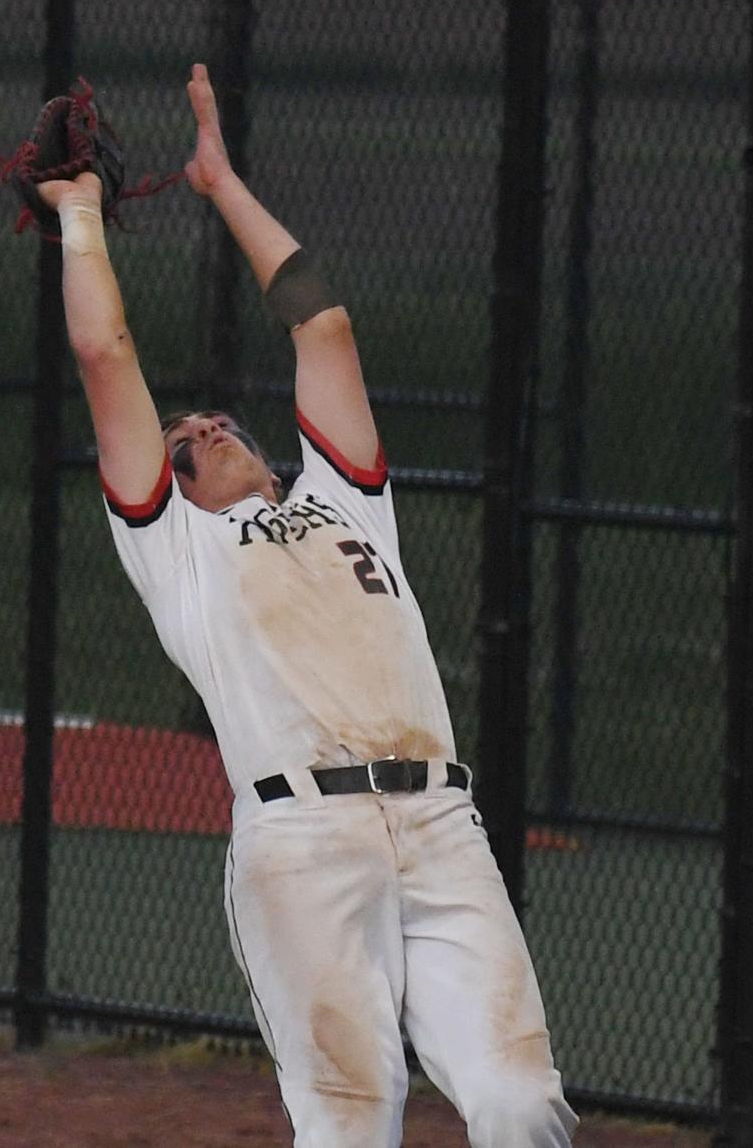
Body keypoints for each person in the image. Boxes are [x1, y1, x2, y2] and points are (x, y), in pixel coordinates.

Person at [36, 63, 578, 1148]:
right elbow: (104, 352)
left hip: (440, 823)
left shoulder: (347, 502)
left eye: (213, 419)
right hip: (301, 841)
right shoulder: (177, 547)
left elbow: (322, 324)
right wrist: (83, 217)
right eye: (183, 436)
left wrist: (221, 182)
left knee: (523, 1104)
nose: (206, 426)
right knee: (349, 1123)